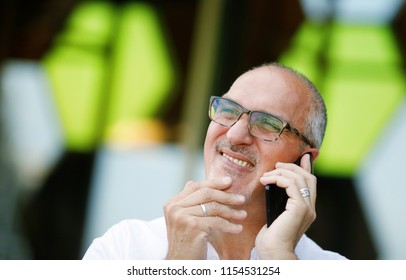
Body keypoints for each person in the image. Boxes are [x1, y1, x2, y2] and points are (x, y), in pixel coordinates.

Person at [83, 62, 347, 260]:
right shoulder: (125, 247)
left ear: (305, 161)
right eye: (228, 110)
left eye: (267, 123)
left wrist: (278, 256)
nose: (234, 134)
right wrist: (180, 262)